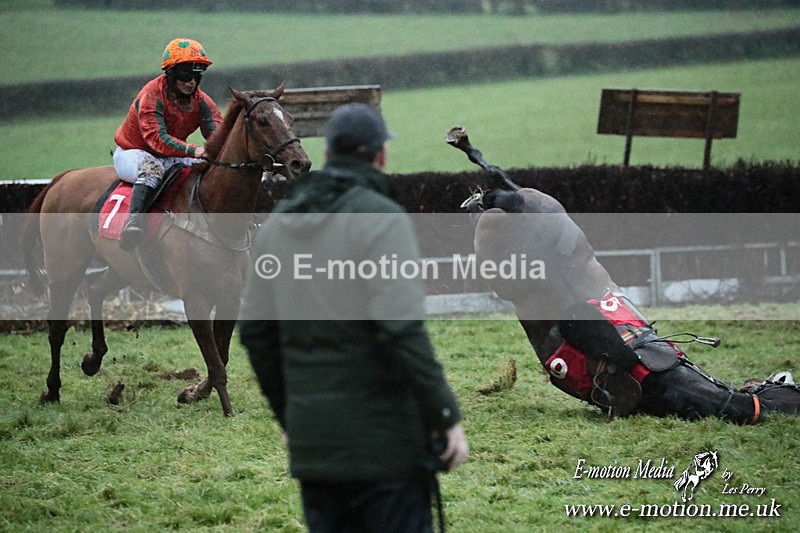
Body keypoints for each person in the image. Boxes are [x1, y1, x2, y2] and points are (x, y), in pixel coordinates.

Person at [239, 104, 468, 532]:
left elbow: (255, 333)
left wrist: (291, 416)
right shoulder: (381, 218)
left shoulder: (277, 226)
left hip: (316, 449)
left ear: (326, 154)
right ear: (380, 155)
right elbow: (402, 331)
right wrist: (445, 414)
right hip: (388, 449)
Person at [113, 37, 223, 250]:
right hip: (133, 153)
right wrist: (194, 150)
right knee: (152, 169)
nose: (191, 81)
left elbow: (218, 134)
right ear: (171, 72)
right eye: (185, 74)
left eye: (196, 75)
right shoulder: (151, 95)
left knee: (207, 167)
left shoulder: (202, 101)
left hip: (170, 155)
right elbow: (157, 140)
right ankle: (133, 223)